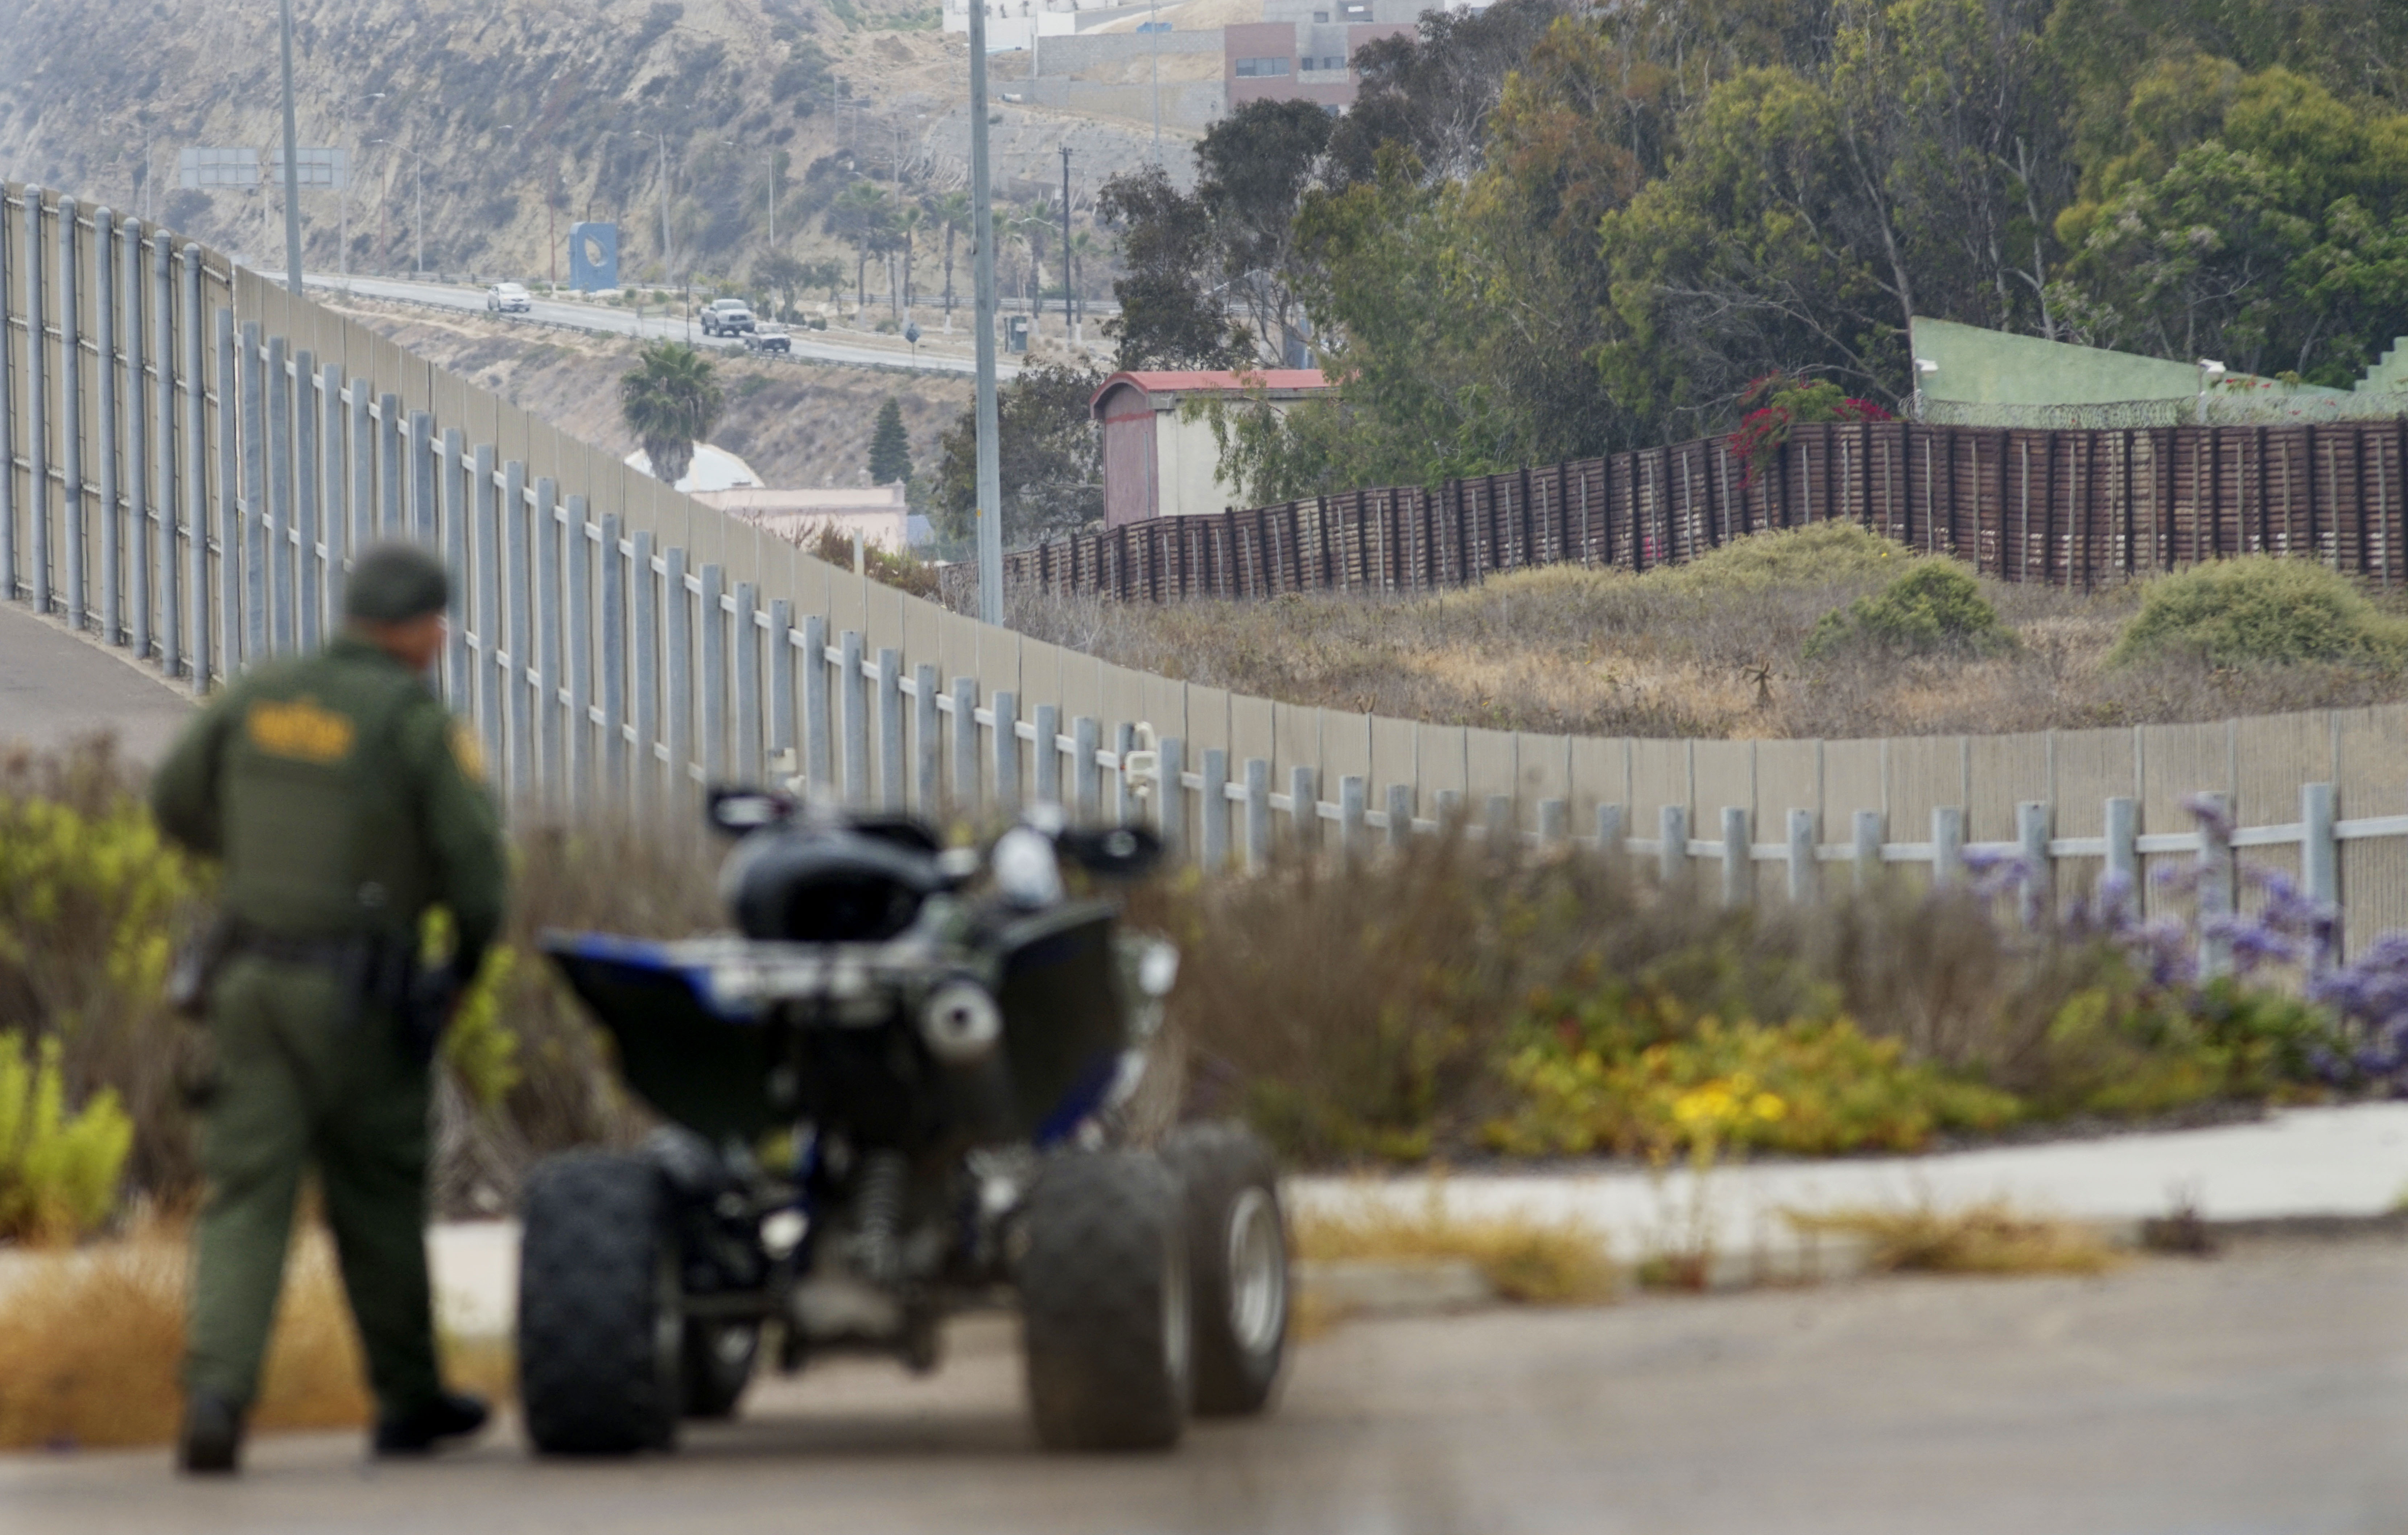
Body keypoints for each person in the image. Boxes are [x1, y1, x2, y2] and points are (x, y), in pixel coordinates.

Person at [150, 542, 508, 1474]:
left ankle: (217, 1395)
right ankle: (407, 1401)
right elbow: (479, 876)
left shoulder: (262, 692)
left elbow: (176, 800)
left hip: (250, 983)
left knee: (245, 1198)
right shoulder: (414, 721)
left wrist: (263, 869)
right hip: (360, 999)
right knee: (379, 1198)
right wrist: (461, 967)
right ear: (423, 630)